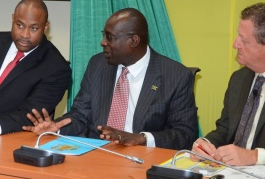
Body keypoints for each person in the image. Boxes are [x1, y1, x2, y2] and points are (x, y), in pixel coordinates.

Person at [23, 8, 198, 149]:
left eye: (110, 37)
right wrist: (57, 128)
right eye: (104, 35)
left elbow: (185, 134)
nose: (103, 42)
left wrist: (141, 138)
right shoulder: (98, 64)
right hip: (96, 156)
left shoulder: (175, 76)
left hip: (143, 161)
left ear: (134, 41)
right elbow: (80, 115)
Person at [0, 0, 71, 141]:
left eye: (34, 28)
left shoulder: (56, 68)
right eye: (20, 25)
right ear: (12, 19)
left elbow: (29, 115)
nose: (25, 34)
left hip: (10, 141)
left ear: (46, 27)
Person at [191, 3, 265, 166]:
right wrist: (205, 144)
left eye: (244, 40)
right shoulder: (239, 79)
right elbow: (225, 129)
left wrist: (255, 156)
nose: (235, 44)